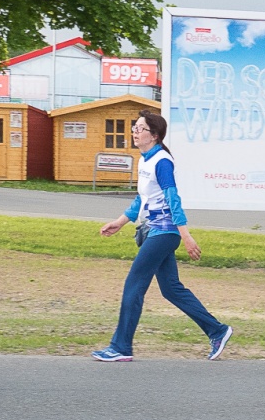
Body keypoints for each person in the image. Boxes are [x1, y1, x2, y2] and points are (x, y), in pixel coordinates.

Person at [92, 111, 232, 363]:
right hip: (154, 231)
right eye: (134, 128)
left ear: (154, 135)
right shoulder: (145, 160)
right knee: (171, 289)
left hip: (165, 233)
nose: (135, 132)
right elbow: (142, 199)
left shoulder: (162, 161)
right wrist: (120, 222)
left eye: (140, 129)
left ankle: (121, 347)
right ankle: (217, 330)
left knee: (134, 284)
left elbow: (172, 198)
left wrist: (186, 236)